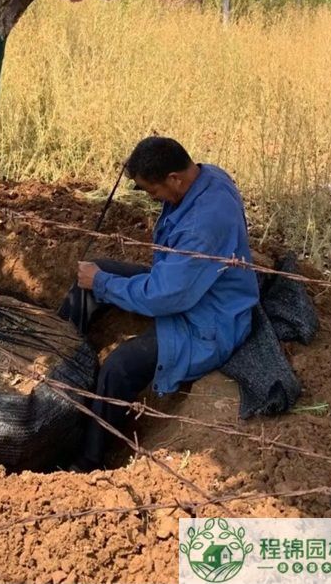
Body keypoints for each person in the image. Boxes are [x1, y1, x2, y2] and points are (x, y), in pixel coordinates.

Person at [60, 136, 259, 472]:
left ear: (174, 179)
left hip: (208, 319)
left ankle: (88, 459)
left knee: (119, 367)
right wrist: (102, 280)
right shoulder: (205, 177)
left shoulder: (203, 225)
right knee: (97, 273)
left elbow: (165, 298)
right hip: (184, 284)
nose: (153, 200)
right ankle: (60, 357)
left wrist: (105, 284)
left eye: (153, 192)